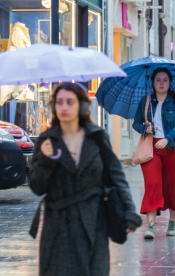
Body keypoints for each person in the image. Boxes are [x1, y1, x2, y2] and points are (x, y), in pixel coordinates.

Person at [29, 83, 141, 276]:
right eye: (59, 102)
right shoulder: (47, 140)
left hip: (93, 222)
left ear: (81, 106)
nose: (64, 107)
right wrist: (45, 161)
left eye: (69, 102)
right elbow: (37, 187)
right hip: (57, 226)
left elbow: (116, 177)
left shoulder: (96, 137)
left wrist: (129, 212)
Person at [133, 67, 175, 239]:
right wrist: (146, 128)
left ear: (170, 83)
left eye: (165, 80)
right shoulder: (145, 101)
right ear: (152, 82)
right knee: (152, 183)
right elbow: (136, 123)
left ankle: (172, 221)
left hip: (171, 148)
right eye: (158, 80)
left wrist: (167, 138)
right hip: (151, 147)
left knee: (172, 185)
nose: (161, 83)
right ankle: (151, 226)